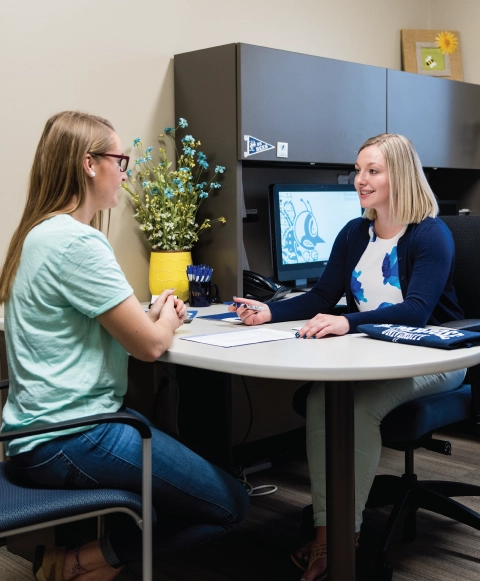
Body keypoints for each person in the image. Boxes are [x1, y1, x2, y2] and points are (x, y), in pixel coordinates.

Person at [0, 111, 249, 581]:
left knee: (174, 485)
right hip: (73, 435)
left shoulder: (38, 235)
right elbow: (151, 349)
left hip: (33, 434)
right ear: (89, 164)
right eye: (122, 160)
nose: (126, 171)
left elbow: (104, 325)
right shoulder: (78, 244)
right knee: (232, 503)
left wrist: (149, 320)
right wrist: (168, 320)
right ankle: (76, 563)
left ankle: (86, 559)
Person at [229, 133, 465, 581]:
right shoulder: (356, 231)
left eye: (372, 171)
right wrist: (268, 312)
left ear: (400, 176)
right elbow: (322, 294)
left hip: (435, 357)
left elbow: (416, 311)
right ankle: (327, 533)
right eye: (358, 170)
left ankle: (344, 540)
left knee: (356, 409)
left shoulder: (431, 234)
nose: (360, 180)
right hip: (372, 353)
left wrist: (347, 323)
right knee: (322, 399)